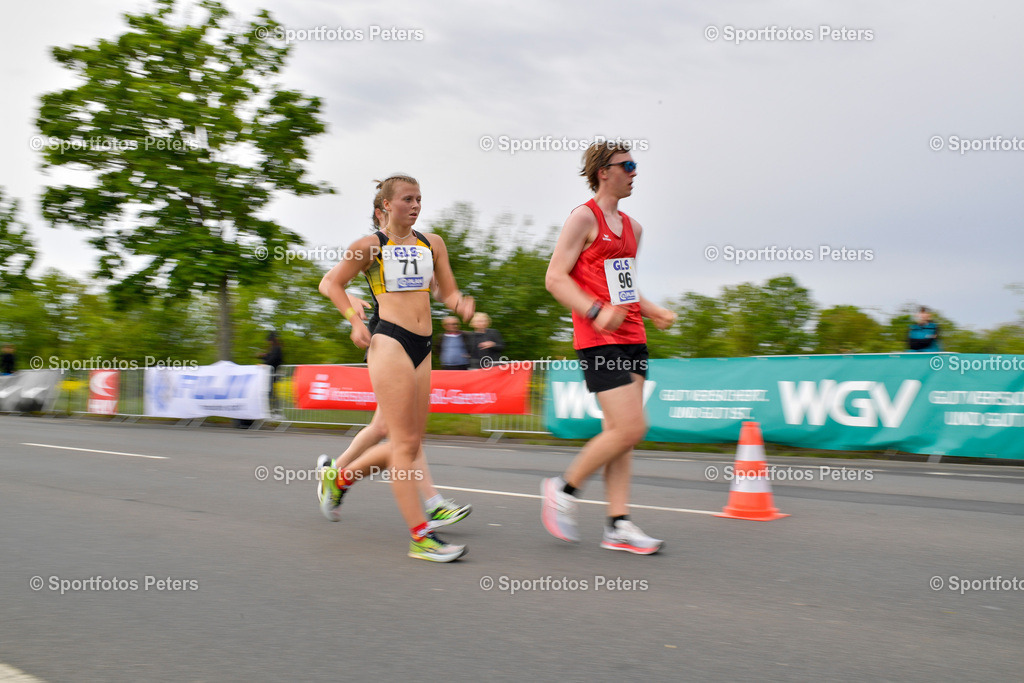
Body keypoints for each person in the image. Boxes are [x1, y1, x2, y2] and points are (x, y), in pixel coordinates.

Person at [317, 174, 475, 562]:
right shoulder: (371, 246)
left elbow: (448, 290)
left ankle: (339, 476)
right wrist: (354, 320)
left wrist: (461, 304)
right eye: (407, 199)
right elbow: (331, 283)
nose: (416, 205)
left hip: (424, 346)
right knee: (401, 444)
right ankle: (420, 536)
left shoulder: (431, 243)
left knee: (408, 443)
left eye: (420, 198)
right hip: (389, 342)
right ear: (386, 205)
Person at [541, 141, 676, 555]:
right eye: (628, 165)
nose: (635, 172)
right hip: (599, 337)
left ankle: (618, 524)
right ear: (604, 171)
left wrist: (650, 310)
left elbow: (625, 285)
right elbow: (554, 278)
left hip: (633, 335)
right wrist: (595, 310)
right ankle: (562, 489)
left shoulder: (634, 229)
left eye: (636, 165)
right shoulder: (584, 217)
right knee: (633, 427)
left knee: (622, 433)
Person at [257, 331, 283, 418]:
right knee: (269, 392)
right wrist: (263, 356)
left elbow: (274, 358)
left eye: (270, 340)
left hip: (273, 373)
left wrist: (266, 364)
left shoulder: (277, 348)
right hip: (270, 373)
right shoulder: (273, 349)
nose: (269, 342)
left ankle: (276, 412)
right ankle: (272, 411)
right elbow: (270, 357)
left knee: (272, 393)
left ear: (272, 340)